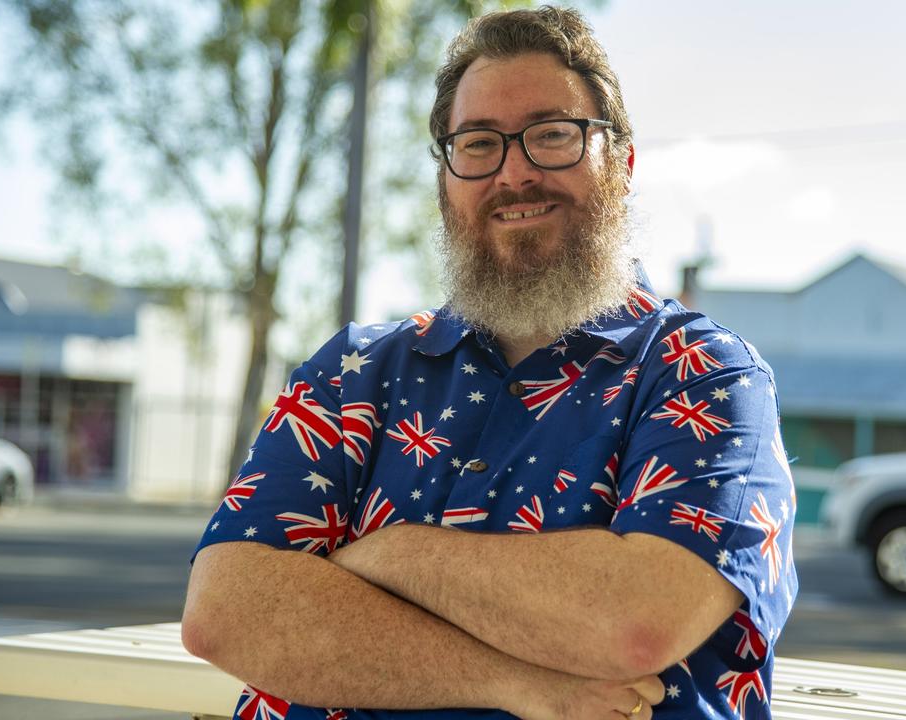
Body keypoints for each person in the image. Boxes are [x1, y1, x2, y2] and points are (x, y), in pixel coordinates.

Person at [181, 6, 798, 719]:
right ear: (447, 179)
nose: (515, 173)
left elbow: (636, 622)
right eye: (478, 144)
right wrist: (521, 684)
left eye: (554, 135)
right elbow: (226, 610)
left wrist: (390, 555)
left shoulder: (704, 374)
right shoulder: (353, 371)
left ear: (622, 164)